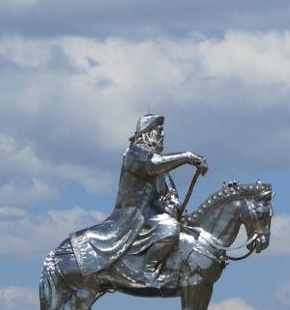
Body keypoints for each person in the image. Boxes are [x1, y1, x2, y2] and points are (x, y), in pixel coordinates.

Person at [68, 114, 208, 286]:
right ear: (146, 133)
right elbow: (153, 164)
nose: (162, 135)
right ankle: (148, 271)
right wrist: (187, 156)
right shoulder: (135, 154)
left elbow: (168, 192)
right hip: (134, 215)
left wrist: (173, 206)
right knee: (169, 228)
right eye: (159, 131)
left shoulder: (162, 168)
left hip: (151, 213)